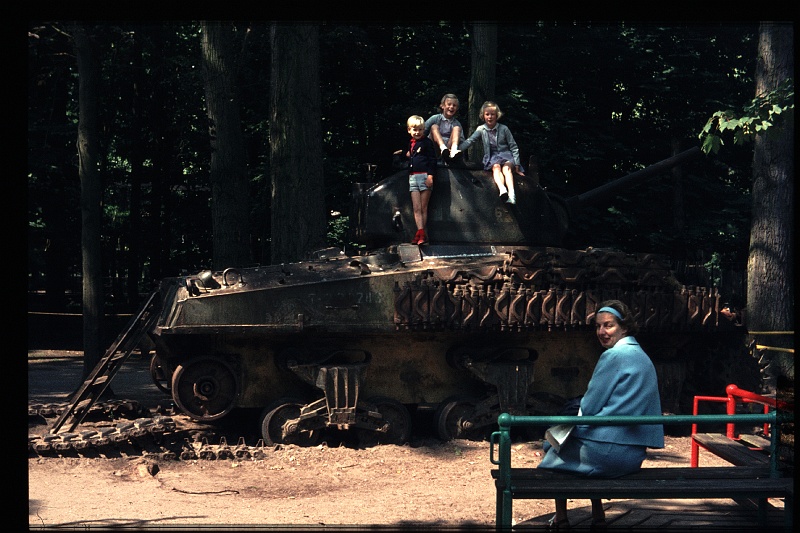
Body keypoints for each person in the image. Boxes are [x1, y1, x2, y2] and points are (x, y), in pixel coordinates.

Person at [537, 300, 665, 530]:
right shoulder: (643, 357)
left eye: (608, 325)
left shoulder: (613, 356)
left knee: (553, 444)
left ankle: (561, 519)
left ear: (624, 327)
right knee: (578, 445)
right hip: (633, 455)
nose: (601, 332)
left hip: (608, 453)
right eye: (598, 326)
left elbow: (590, 406)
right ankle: (598, 515)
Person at [457, 100, 525, 204]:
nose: (490, 117)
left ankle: (512, 194)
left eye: (492, 114)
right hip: (493, 157)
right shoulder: (481, 129)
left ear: (497, 115)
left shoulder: (504, 129)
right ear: (483, 116)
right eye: (487, 114)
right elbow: (470, 141)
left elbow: (513, 147)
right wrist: (457, 149)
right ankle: (502, 189)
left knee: (506, 169)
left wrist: (517, 165)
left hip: (506, 155)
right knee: (496, 168)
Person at [394, 115, 437, 245]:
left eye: (420, 129)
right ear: (409, 130)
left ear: (423, 130)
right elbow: (411, 155)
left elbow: (432, 160)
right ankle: (420, 232)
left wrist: (430, 176)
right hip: (412, 177)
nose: (417, 132)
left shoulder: (427, 143)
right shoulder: (411, 143)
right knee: (416, 208)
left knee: (423, 207)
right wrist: (401, 153)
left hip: (424, 176)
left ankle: (423, 234)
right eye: (414, 129)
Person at [424, 93, 465, 164]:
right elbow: (422, 131)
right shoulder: (435, 118)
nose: (451, 107)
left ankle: (453, 151)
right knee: (434, 127)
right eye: (449, 104)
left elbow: (461, 141)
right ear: (442, 106)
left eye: (454, 105)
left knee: (457, 128)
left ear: (457, 108)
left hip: (448, 149)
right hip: (434, 148)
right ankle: (443, 148)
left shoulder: (457, 123)